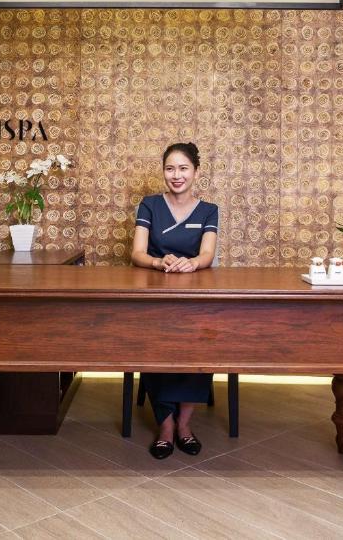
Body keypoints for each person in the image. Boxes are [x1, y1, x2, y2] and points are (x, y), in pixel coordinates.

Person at [130, 142, 219, 459]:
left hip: (195, 297)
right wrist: (158, 262)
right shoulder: (150, 205)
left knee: (204, 344)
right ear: (164, 172)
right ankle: (165, 425)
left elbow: (207, 254)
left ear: (196, 172)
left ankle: (184, 424)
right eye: (170, 168)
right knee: (154, 346)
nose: (176, 175)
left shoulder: (209, 210)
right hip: (154, 297)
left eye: (183, 168)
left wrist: (192, 263)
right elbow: (137, 253)